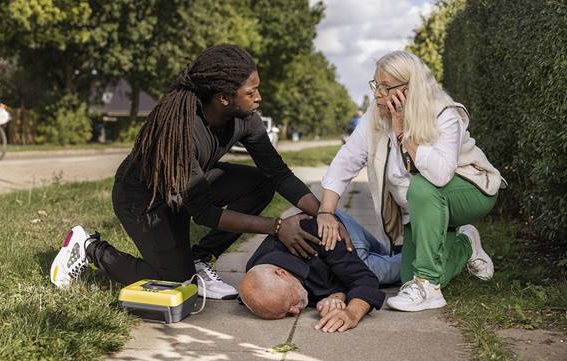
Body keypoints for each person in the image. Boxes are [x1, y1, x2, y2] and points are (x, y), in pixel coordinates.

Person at [50, 44, 352, 299]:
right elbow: (205, 213)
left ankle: (199, 258)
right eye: (252, 92)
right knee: (175, 283)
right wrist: (276, 227)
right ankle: (89, 248)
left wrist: (325, 214)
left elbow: (279, 174)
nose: (259, 98)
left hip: (182, 190)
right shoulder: (182, 131)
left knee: (260, 183)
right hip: (142, 198)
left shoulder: (246, 119)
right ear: (223, 98)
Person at [317, 50, 504, 312]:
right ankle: (465, 244)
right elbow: (346, 160)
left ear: (409, 89)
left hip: (470, 192)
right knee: (407, 279)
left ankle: (428, 286)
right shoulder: (376, 115)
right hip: (423, 209)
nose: (377, 94)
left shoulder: (444, 113)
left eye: (385, 87)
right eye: (375, 85)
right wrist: (326, 211)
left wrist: (404, 130)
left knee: (423, 185)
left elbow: (440, 175)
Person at [239, 216, 385, 332]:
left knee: (394, 267)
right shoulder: (258, 282)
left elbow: (363, 279)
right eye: (287, 313)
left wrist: (352, 312)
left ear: (282, 273)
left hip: (341, 236)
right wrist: (336, 296)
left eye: (290, 301)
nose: (296, 311)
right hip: (338, 263)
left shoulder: (313, 235)